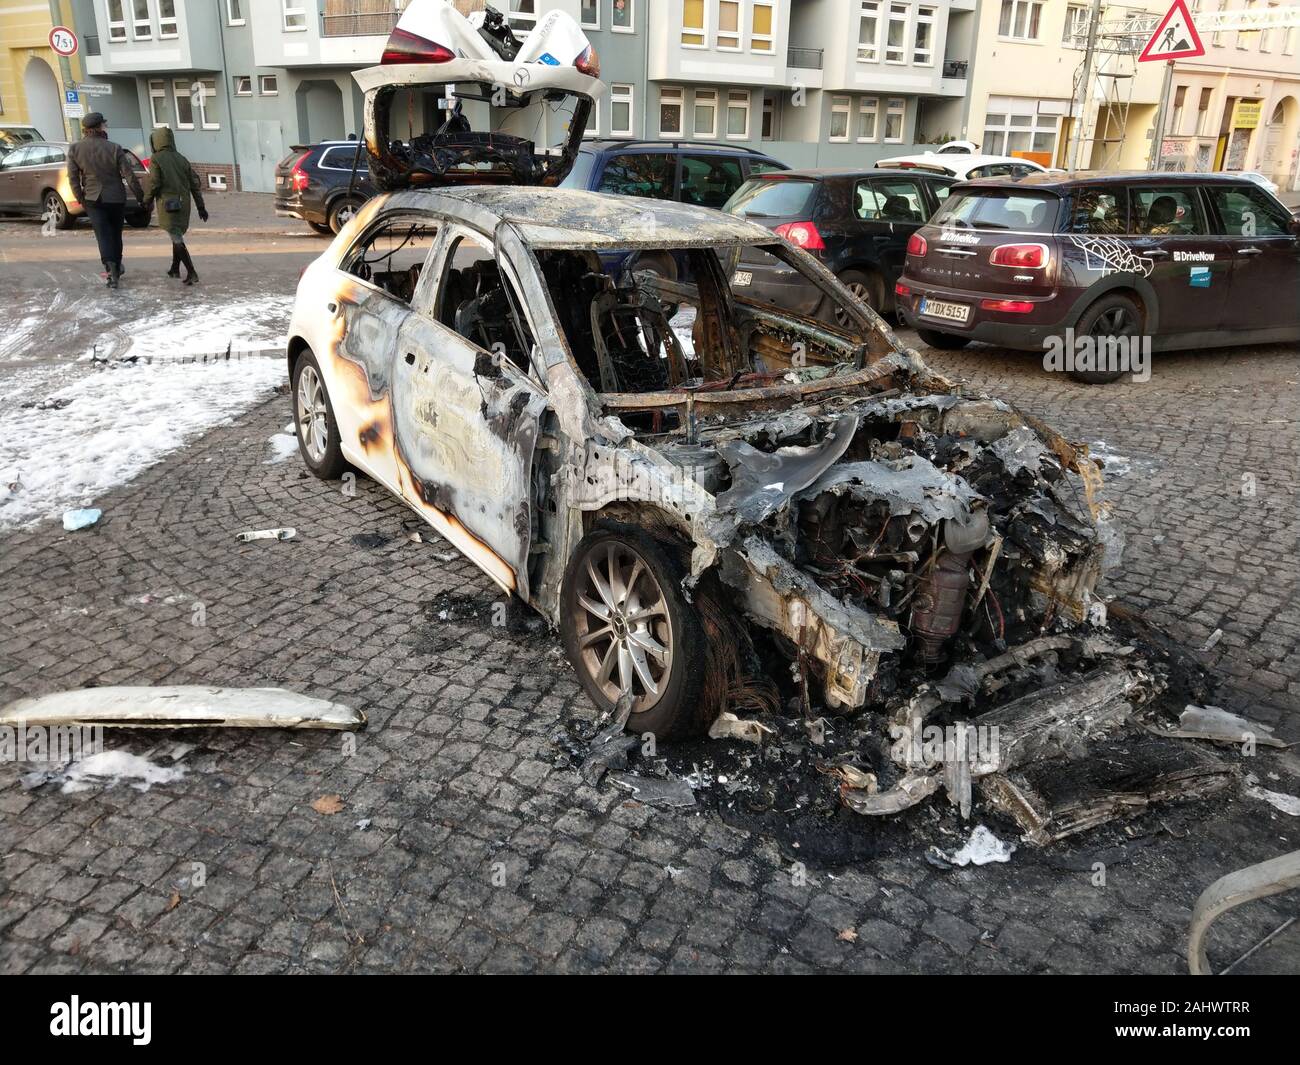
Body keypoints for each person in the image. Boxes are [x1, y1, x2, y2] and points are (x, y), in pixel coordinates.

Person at [66, 112, 143, 289]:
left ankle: (111, 270)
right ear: (99, 127)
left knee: (102, 235)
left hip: (92, 198)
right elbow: (129, 176)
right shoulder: (114, 148)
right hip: (115, 197)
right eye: (104, 125)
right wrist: (141, 198)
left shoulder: (75, 149)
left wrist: (81, 198)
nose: (105, 127)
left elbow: (73, 178)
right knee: (116, 233)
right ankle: (116, 265)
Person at [146, 126, 208, 286]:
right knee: (176, 234)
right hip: (183, 203)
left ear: (156, 142)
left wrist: (147, 200)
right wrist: (201, 207)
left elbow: (154, 183)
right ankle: (174, 268)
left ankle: (192, 272)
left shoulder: (156, 159)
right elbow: (194, 185)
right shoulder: (182, 158)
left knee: (176, 236)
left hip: (168, 204)